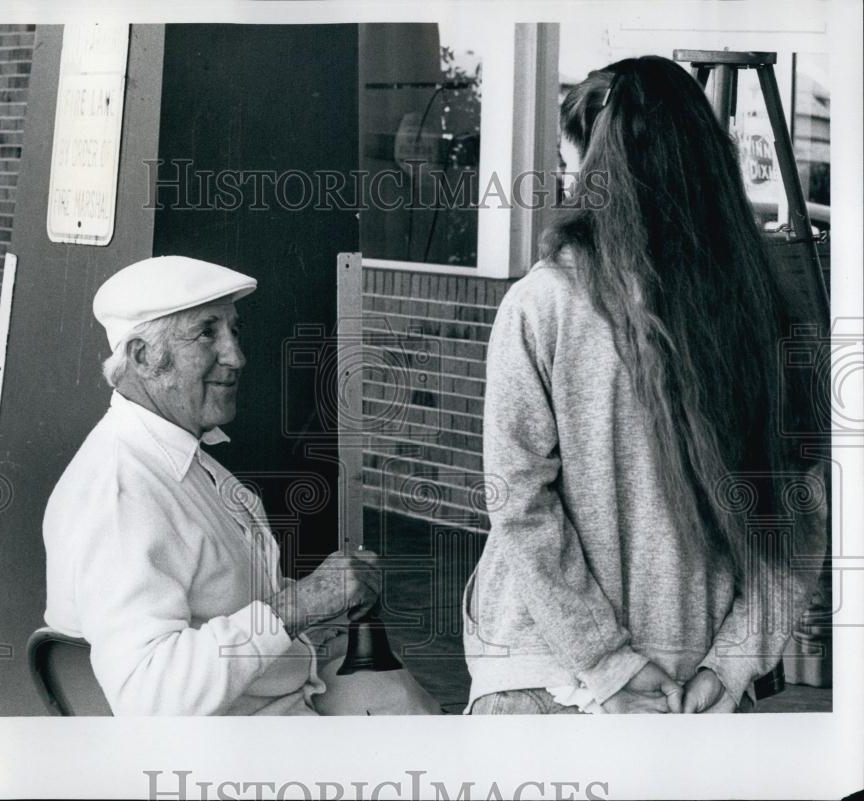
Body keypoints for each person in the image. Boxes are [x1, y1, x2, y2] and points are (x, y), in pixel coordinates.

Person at [463, 56, 828, 714]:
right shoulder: (763, 314)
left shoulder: (540, 305)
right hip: (692, 684)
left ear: (587, 164)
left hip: (544, 678)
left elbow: (517, 503)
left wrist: (609, 661)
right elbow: (797, 511)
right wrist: (736, 658)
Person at [42, 255, 382, 715]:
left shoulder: (178, 460)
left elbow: (222, 598)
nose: (236, 356)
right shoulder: (121, 493)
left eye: (233, 331)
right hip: (235, 755)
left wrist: (321, 610)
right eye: (207, 333)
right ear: (143, 357)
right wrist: (300, 605)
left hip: (278, 709)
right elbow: (151, 693)